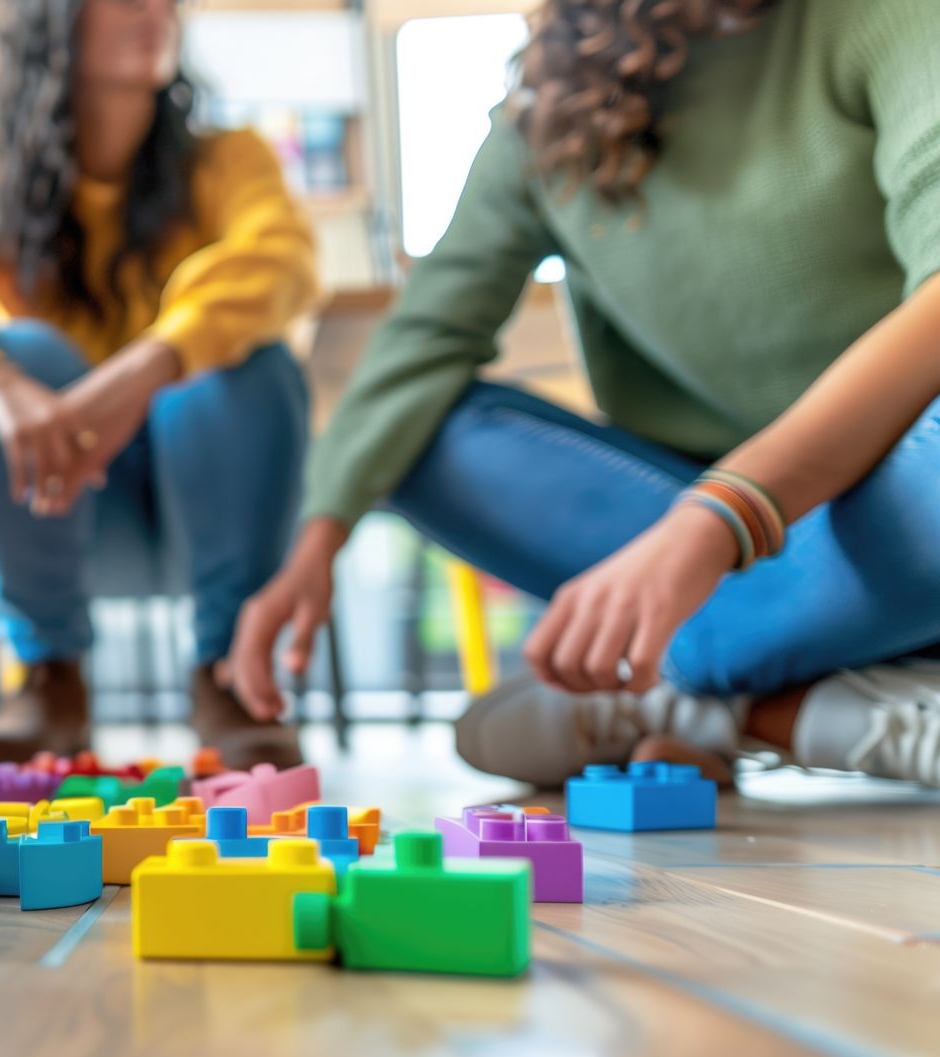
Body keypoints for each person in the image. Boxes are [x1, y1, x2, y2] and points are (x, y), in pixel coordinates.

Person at [228, 0, 940, 788]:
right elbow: (425, 335)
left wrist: (723, 516)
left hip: (887, 491)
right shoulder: (549, 103)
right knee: (429, 434)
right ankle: (787, 672)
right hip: (696, 528)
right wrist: (318, 540)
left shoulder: (886, 15)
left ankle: (707, 696)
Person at [0, 0, 319, 767]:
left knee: (249, 360)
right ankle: (50, 676)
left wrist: (151, 365)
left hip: (215, 504)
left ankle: (227, 676)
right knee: (8, 351)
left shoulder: (229, 159)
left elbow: (283, 262)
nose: (156, 8)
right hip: (62, 499)